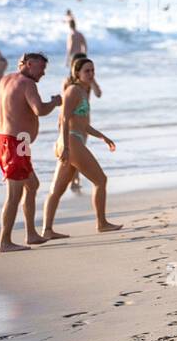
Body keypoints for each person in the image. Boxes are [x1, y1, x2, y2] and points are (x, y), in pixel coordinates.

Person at [41, 56, 120, 238]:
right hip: (70, 141)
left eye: (93, 70)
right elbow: (63, 119)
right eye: (87, 71)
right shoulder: (73, 90)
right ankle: (102, 223)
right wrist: (66, 147)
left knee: (57, 190)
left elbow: (83, 124)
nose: (91, 74)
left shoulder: (84, 91)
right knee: (100, 180)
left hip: (72, 140)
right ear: (77, 73)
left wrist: (103, 137)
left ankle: (47, 231)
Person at [0, 53, 61, 251]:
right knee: (14, 194)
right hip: (14, 144)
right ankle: (4, 242)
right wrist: (55, 102)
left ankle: (31, 234)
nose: (43, 73)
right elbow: (39, 110)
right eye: (41, 68)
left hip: (6, 140)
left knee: (32, 185)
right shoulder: (27, 84)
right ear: (29, 65)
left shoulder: (6, 79)